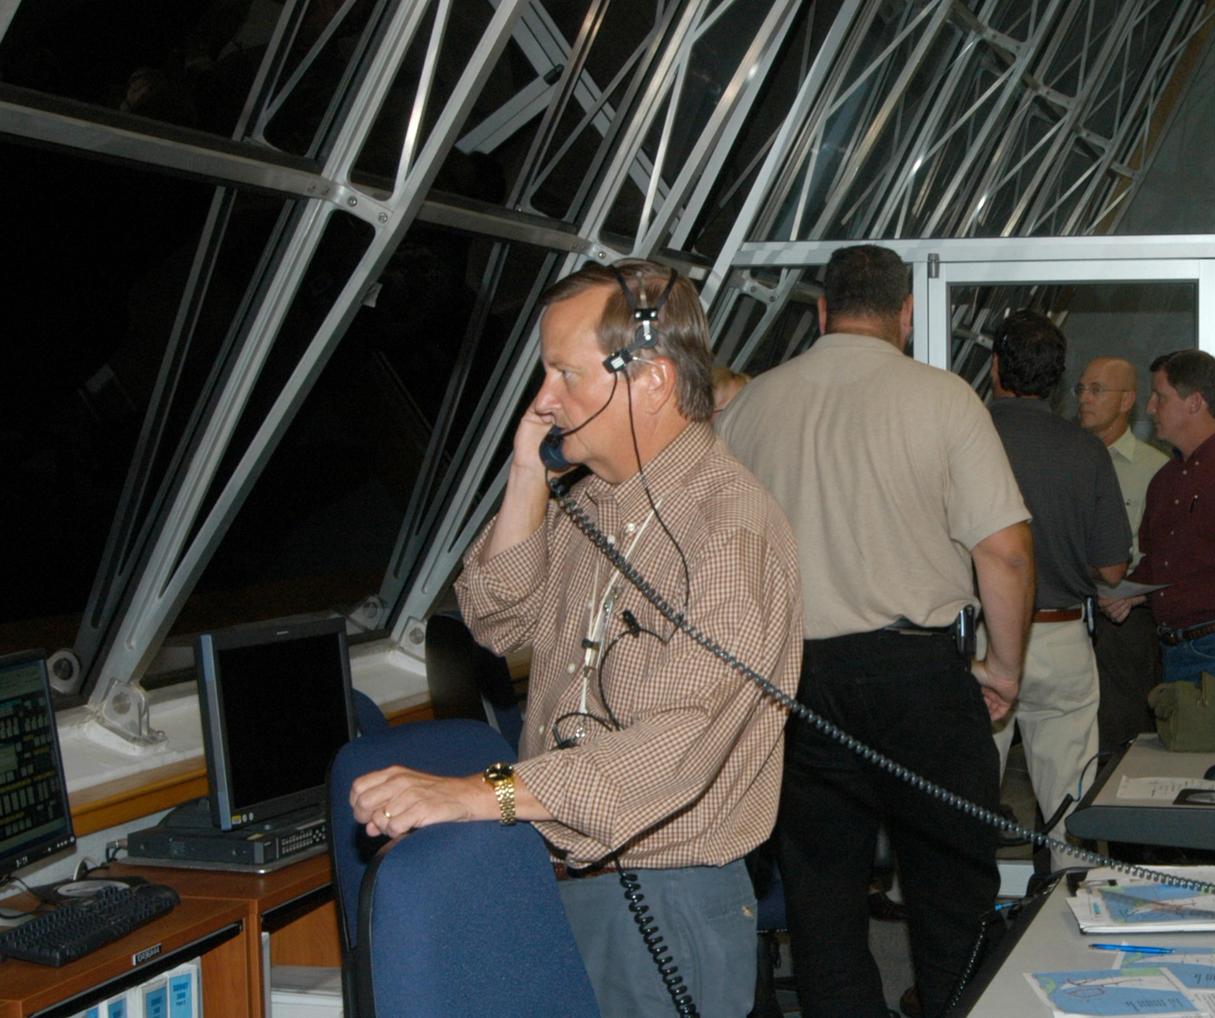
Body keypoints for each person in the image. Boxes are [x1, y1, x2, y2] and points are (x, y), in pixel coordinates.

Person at [350, 259, 804, 1017]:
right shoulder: (592, 502)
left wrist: (480, 794)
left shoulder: (730, 529)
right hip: (566, 875)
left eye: (564, 373)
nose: (543, 399)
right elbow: (497, 618)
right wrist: (529, 474)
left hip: (669, 897)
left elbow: (678, 745)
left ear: (651, 380)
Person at [718, 244, 1034, 1018]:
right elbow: (1006, 550)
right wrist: (1004, 668)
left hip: (794, 684)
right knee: (952, 888)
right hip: (916, 676)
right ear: (904, 314)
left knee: (821, 896)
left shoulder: (752, 406)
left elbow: (717, 550)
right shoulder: (942, 397)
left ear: (821, 311)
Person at [988, 313, 1130, 871]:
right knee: (1070, 803)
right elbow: (1114, 568)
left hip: (976, 639)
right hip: (1062, 632)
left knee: (965, 792)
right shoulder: (1086, 450)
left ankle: (958, 923)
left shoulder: (964, 437)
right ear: (1057, 379)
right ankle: (1067, 912)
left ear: (996, 365)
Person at [1103, 350, 1215, 733]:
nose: (1150, 408)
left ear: (1195, 401)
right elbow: (1160, 564)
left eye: (1160, 397)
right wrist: (1129, 592)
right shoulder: (1166, 480)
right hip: (1171, 651)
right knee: (1186, 780)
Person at [1075, 356, 1168, 756]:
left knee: (1122, 742)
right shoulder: (1064, 460)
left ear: (1127, 399)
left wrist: (1130, 594)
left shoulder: (1156, 470)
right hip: (1065, 615)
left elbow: (1165, 556)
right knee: (1066, 743)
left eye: (1097, 390)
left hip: (1125, 622)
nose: (1084, 399)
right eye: (1080, 389)